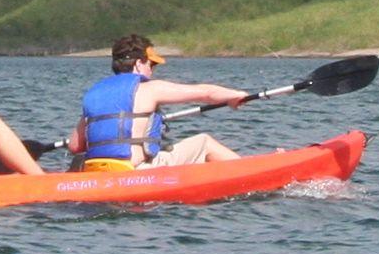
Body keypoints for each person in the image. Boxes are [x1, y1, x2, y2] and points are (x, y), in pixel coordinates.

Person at [72, 35, 251, 168]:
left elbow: (75, 146)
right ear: (138, 64)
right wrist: (234, 95)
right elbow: (206, 93)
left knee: (78, 160)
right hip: (134, 171)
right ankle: (250, 173)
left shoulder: (94, 93)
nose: (152, 70)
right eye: (151, 64)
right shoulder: (150, 89)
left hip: (96, 168)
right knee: (204, 143)